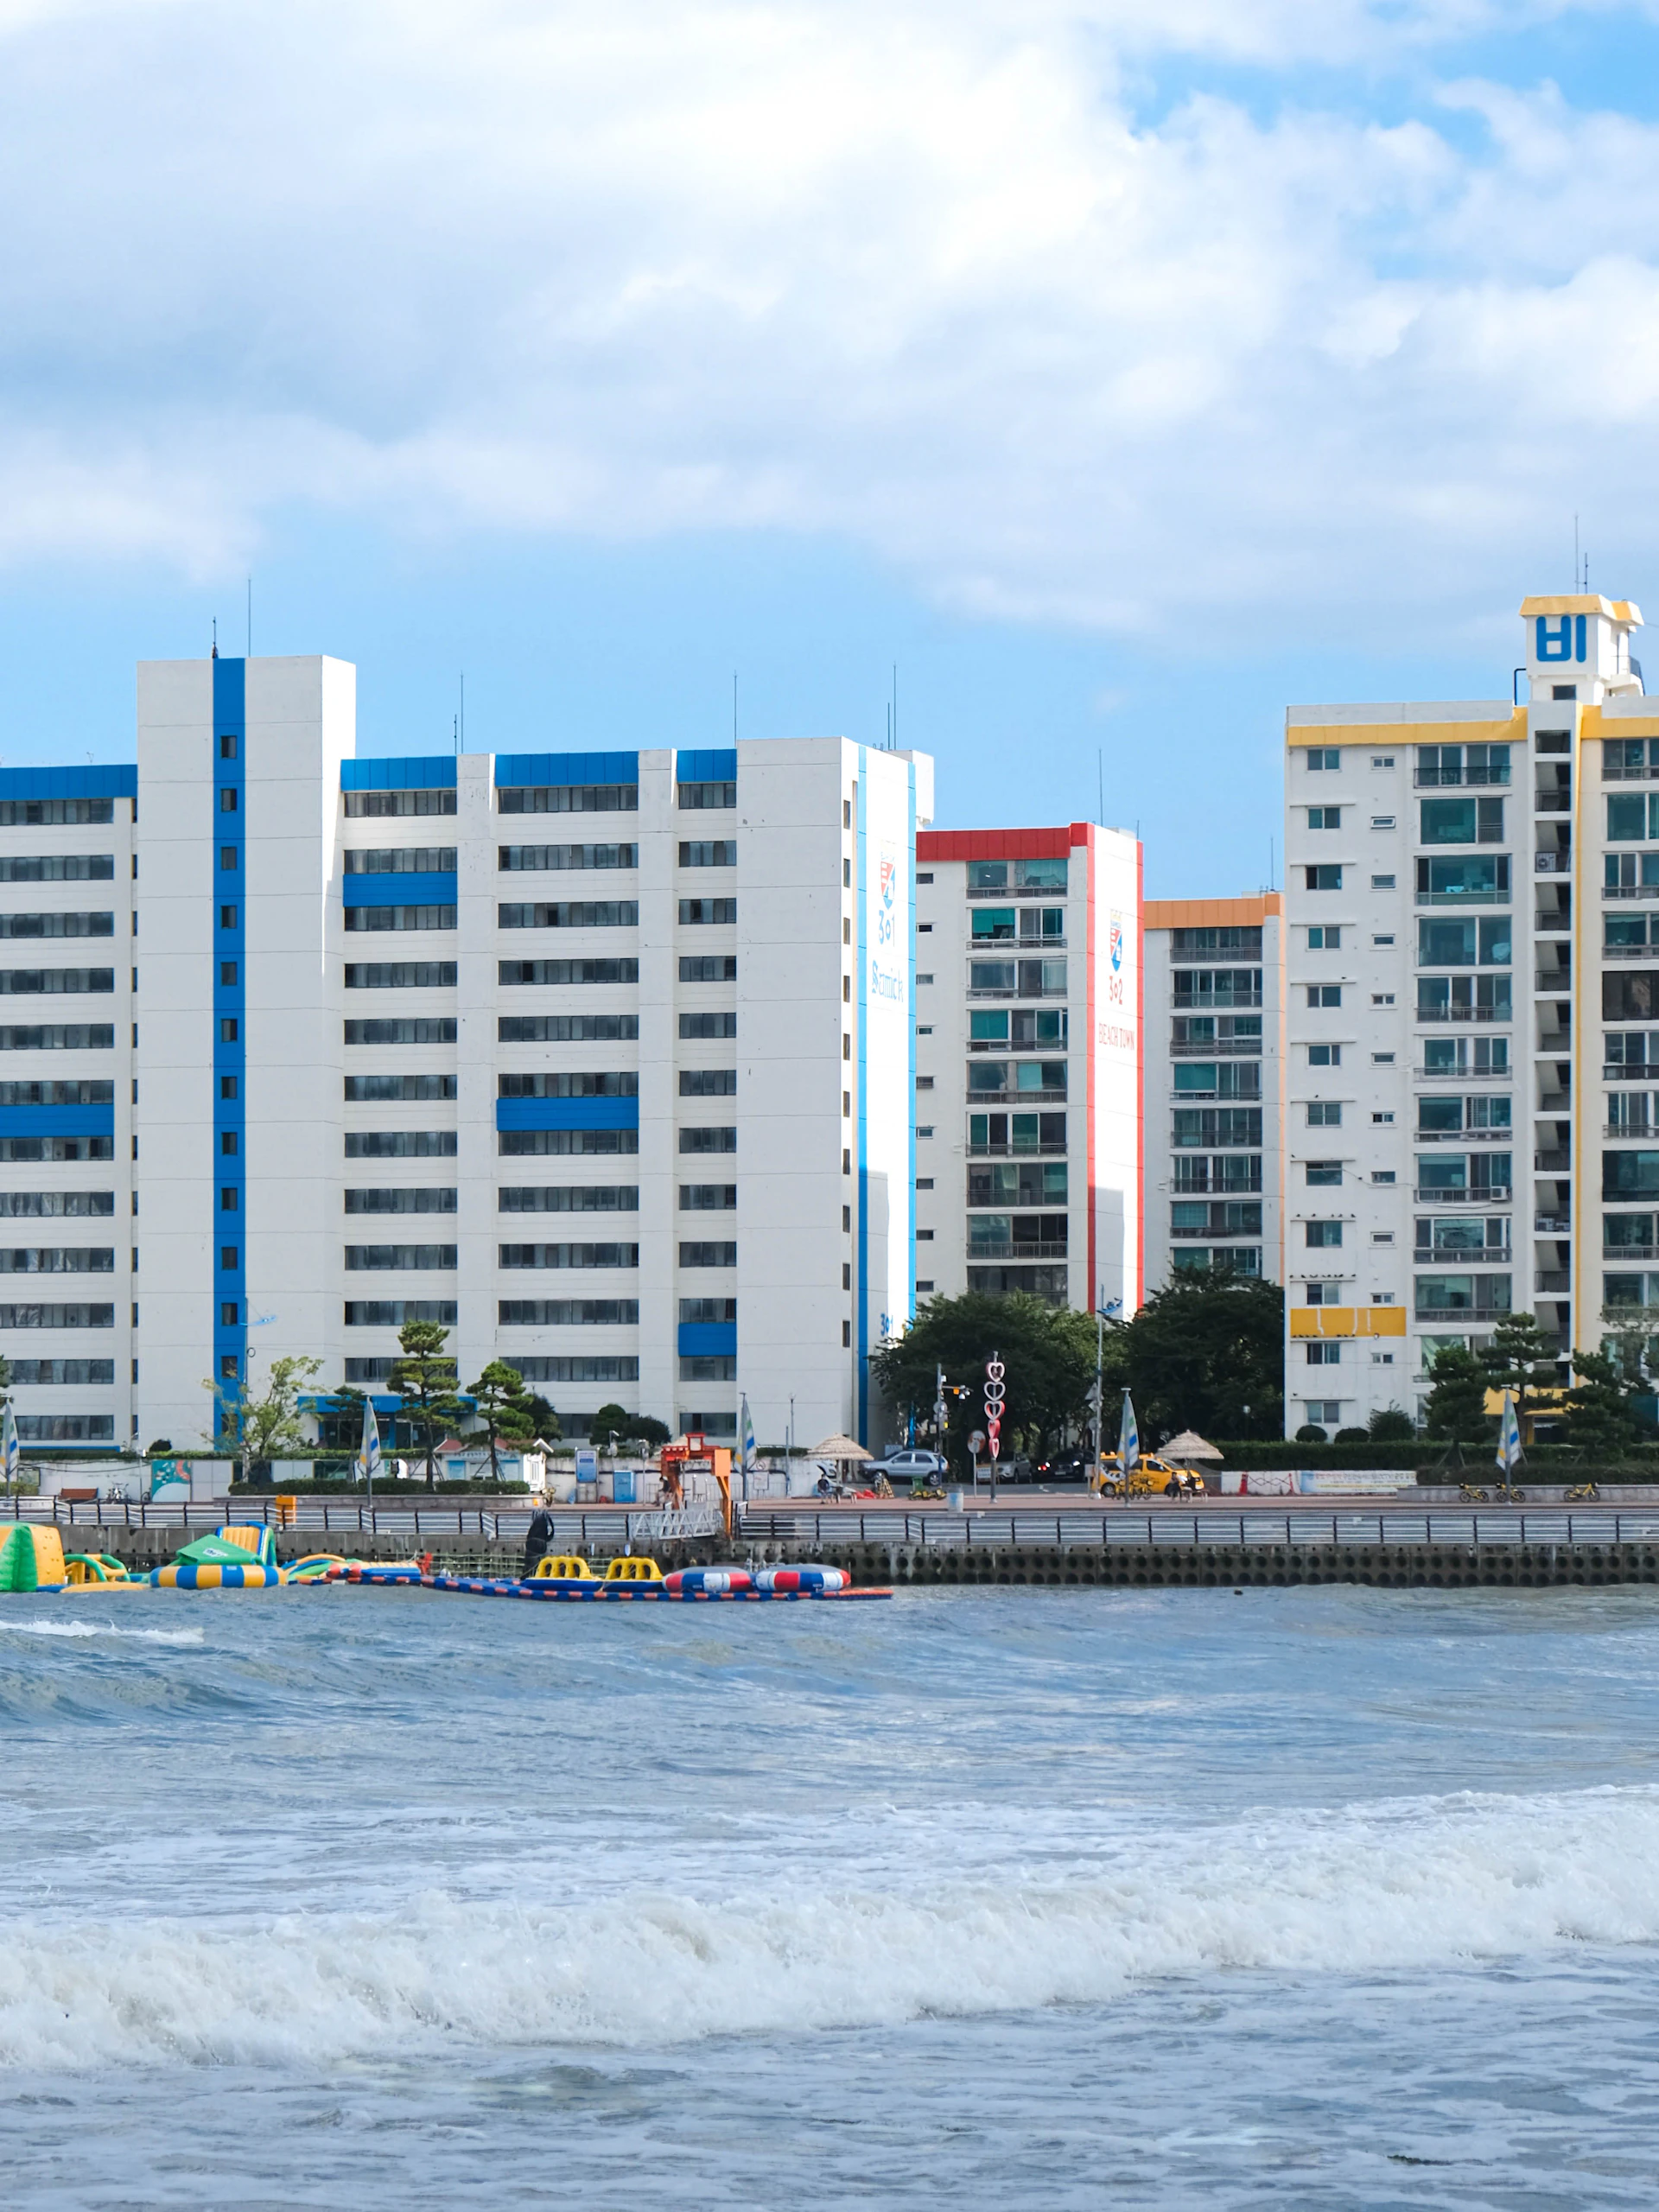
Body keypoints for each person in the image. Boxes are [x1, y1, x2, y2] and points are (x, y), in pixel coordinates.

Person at [523, 1508, 556, 1579]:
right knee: (539, 1563)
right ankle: (539, 1576)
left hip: (531, 1543)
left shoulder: (534, 1523)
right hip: (541, 1544)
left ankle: (525, 1576)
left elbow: (529, 1533)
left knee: (529, 1564)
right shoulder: (544, 1522)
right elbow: (551, 1533)